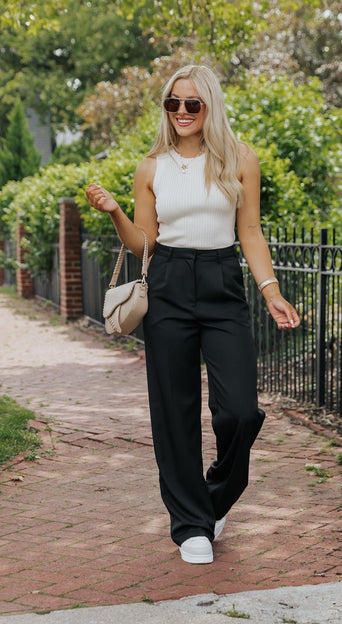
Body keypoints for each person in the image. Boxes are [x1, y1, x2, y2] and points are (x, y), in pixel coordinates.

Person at [86, 64, 300, 565]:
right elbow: (145, 244)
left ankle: (215, 497)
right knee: (174, 409)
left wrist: (270, 291)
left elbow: (250, 232)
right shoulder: (151, 167)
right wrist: (117, 211)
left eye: (192, 104)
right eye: (173, 104)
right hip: (169, 284)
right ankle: (189, 525)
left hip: (224, 283)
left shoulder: (240, 159)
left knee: (241, 411)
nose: (181, 112)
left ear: (209, 106)